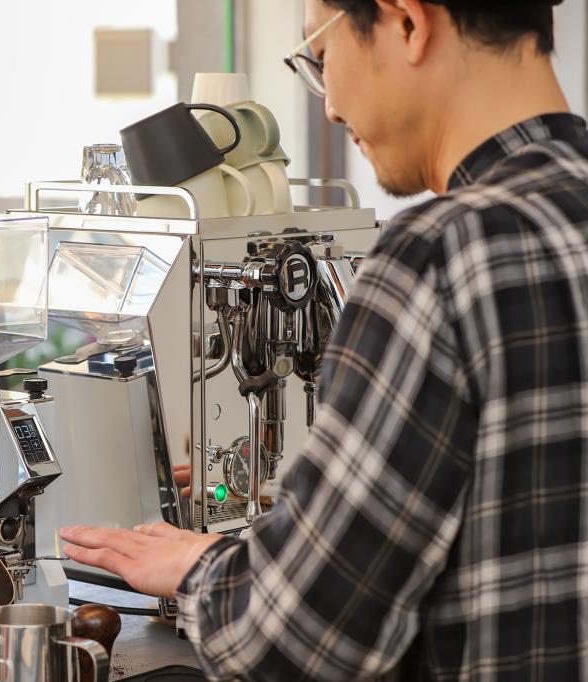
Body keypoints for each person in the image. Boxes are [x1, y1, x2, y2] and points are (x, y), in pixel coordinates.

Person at [60, 0, 588, 679]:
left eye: (320, 54)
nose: (331, 106)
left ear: (407, 22)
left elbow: (296, 641)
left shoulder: (437, 258)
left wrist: (199, 566)